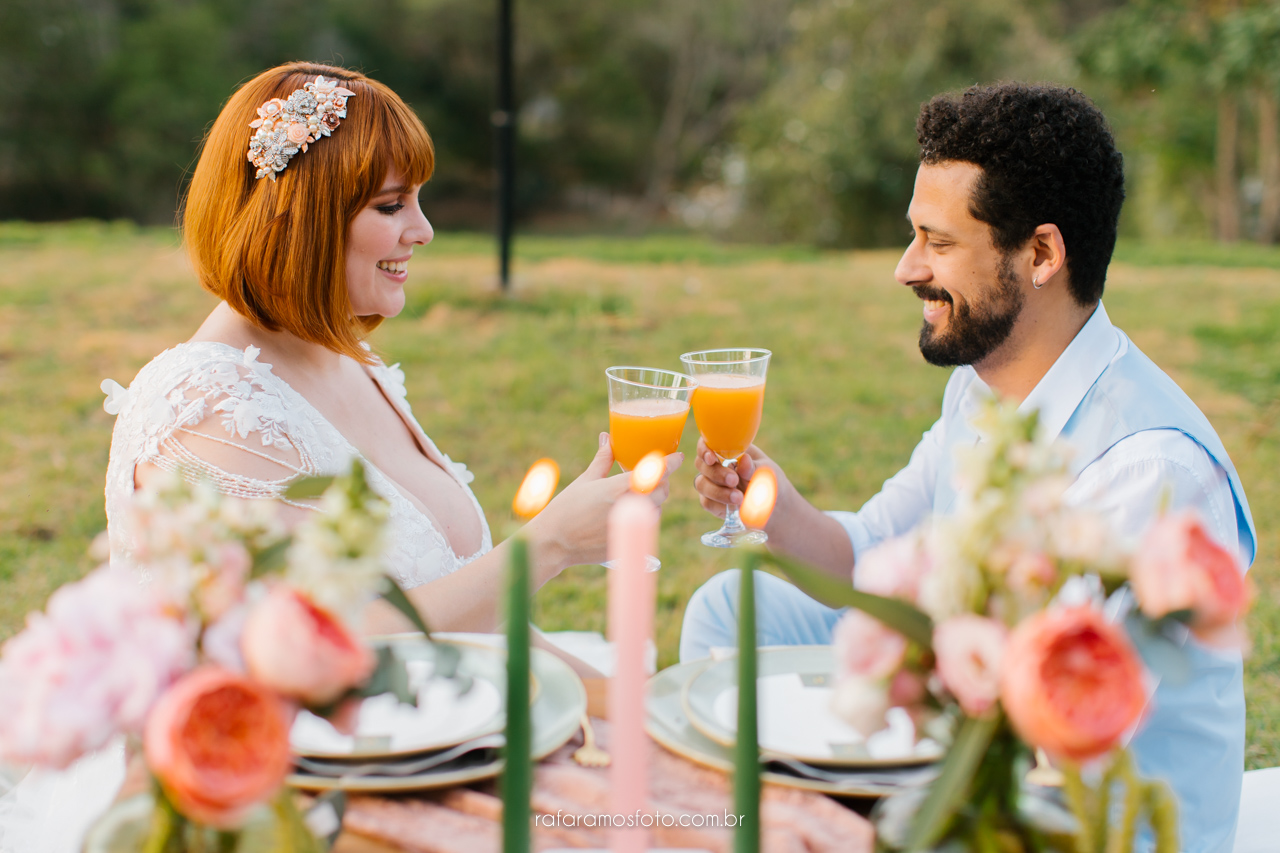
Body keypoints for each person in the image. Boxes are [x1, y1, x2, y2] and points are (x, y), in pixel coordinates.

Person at [681, 84, 1255, 853]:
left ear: (1042, 254)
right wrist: (766, 499)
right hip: (977, 715)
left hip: (1076, 816)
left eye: (938, 242)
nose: (905, 268)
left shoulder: (1150, 468)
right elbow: (866, 555)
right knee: (732, 607)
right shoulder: (982, 385)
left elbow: (1052, 730)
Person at [100, 61, 677, 638]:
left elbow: (468, 613)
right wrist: (549, 545)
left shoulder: (349, 361)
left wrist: (616, 696)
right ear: (302, 219)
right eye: (390, 205)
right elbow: (323, 646)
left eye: (418, 200)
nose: (423, 231)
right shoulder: (205, 409)